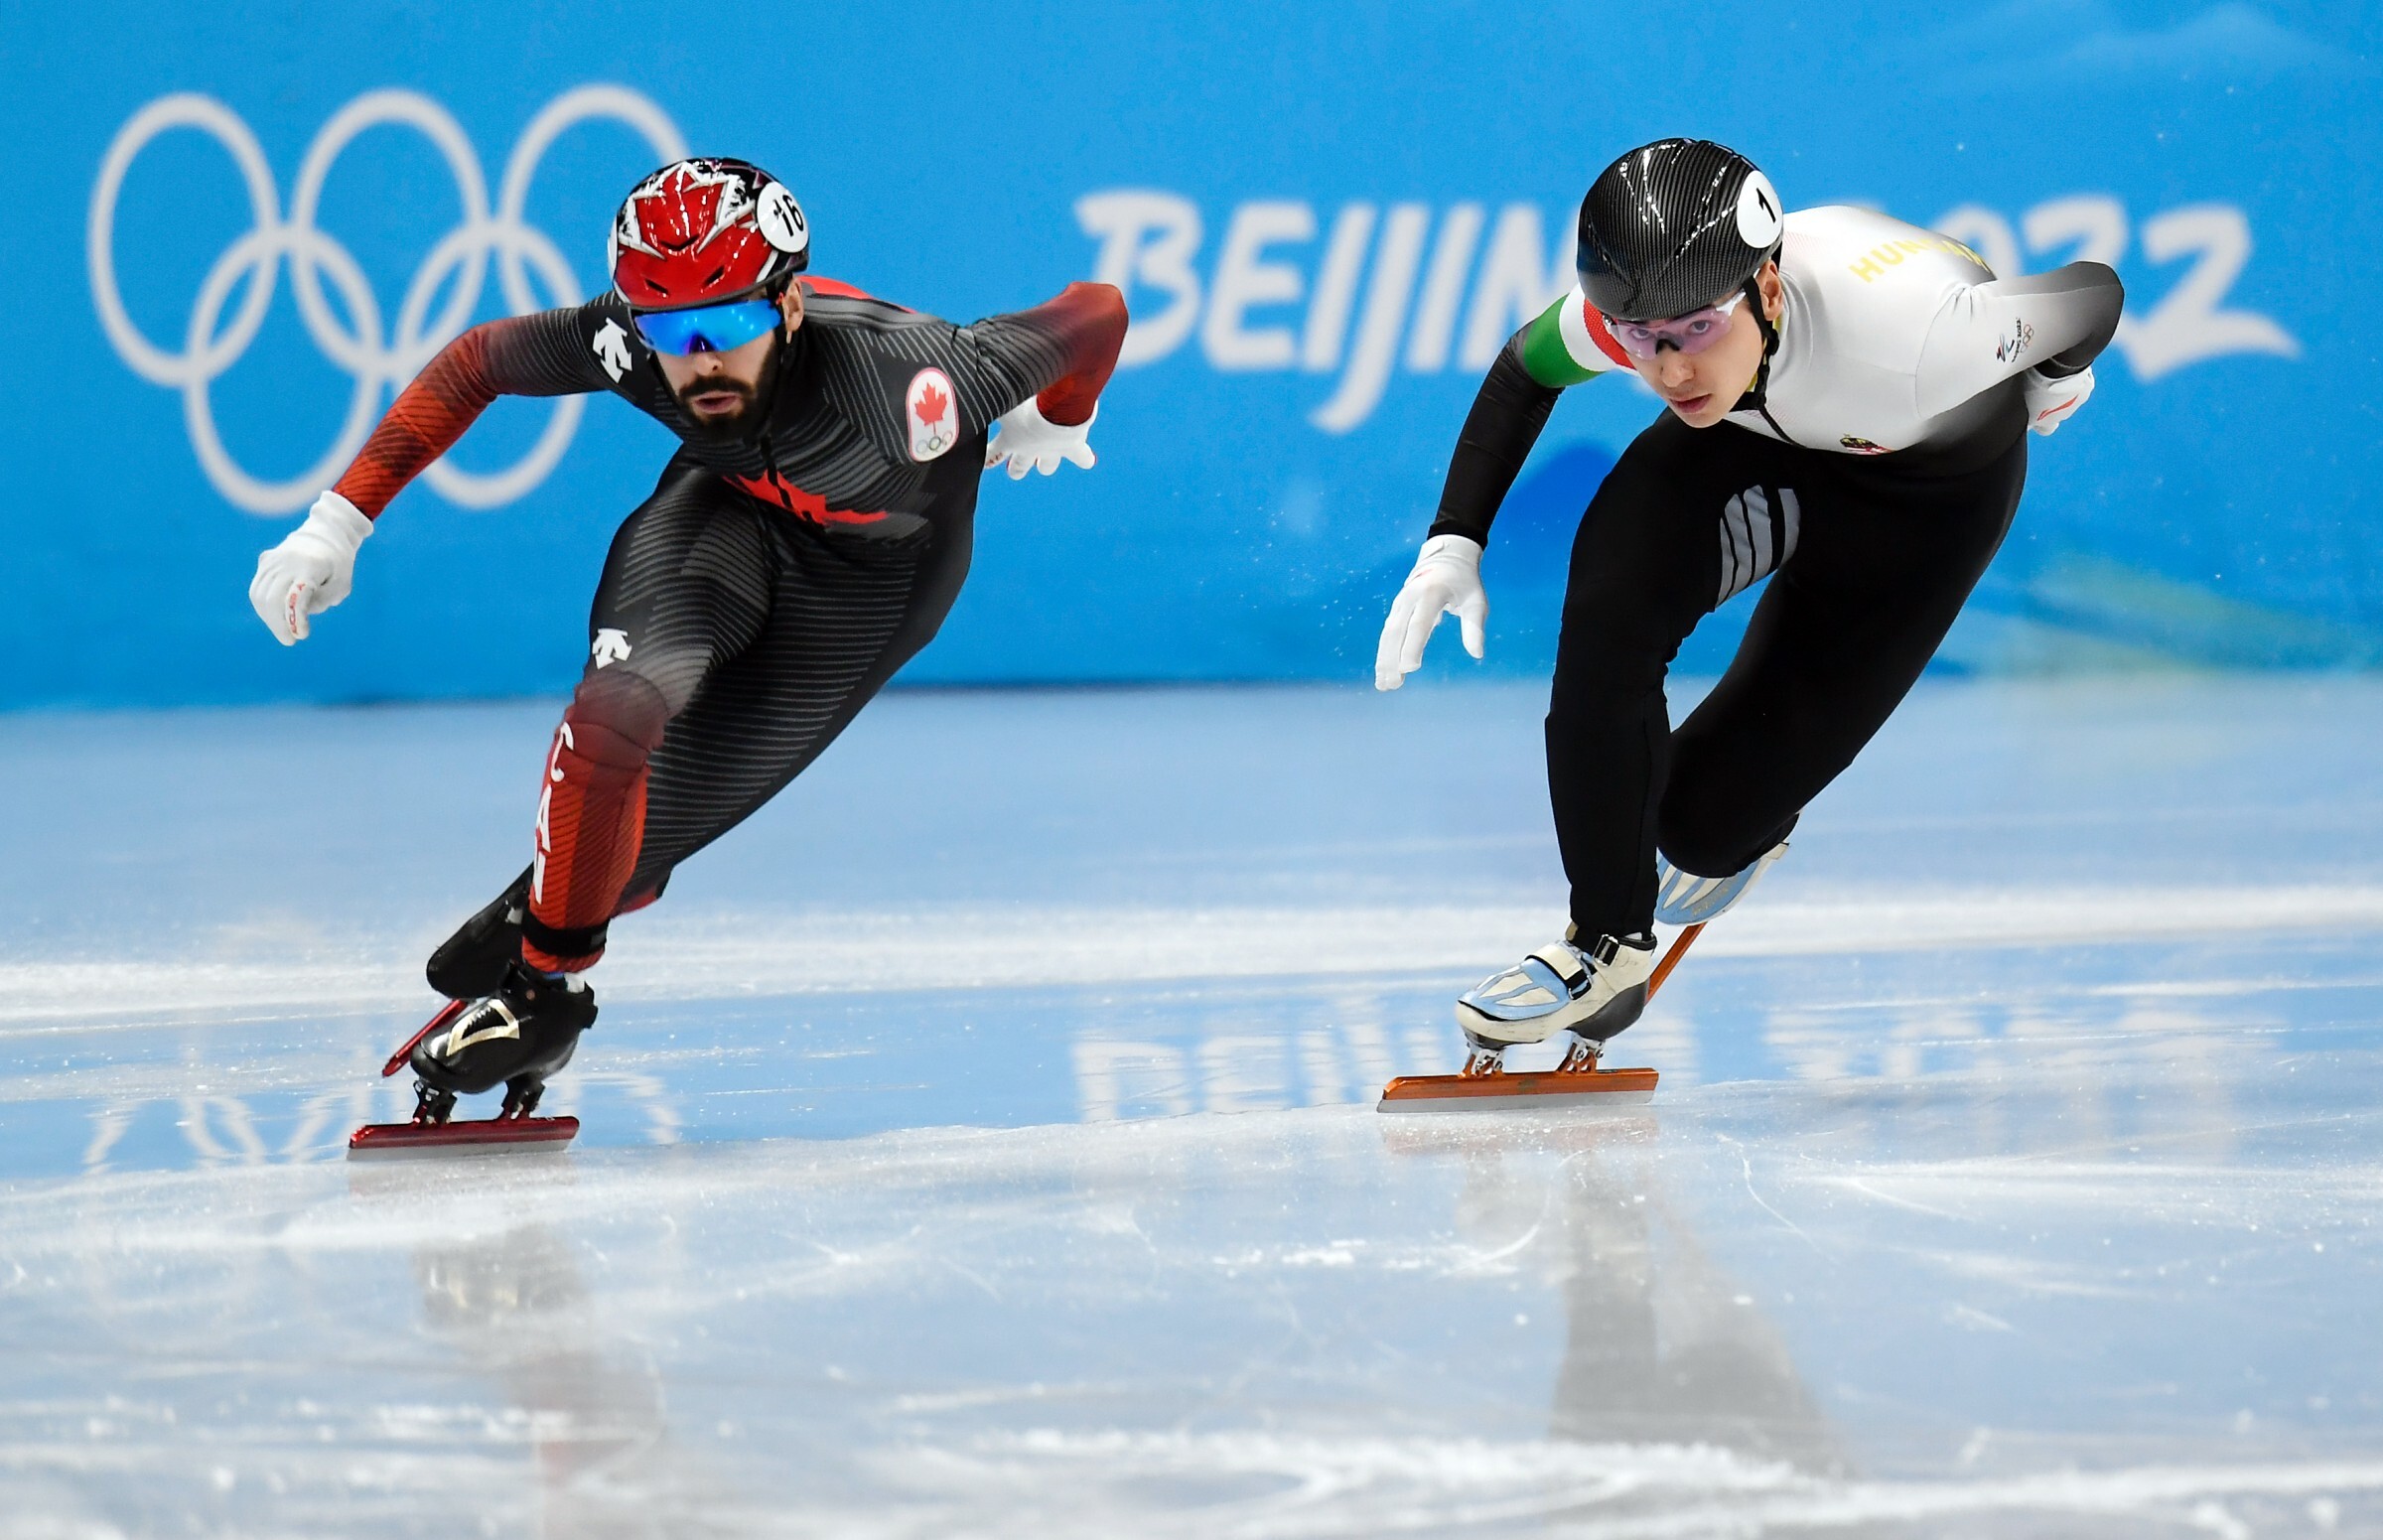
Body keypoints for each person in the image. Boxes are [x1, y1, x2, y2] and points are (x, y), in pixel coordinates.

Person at [249, 158, 1127, 1120]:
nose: (702, 359)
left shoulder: (913, 386)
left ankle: (562, 921)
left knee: (642, 839)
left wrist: (1057, 413)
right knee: (614, 716)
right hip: (726, 517)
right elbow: (477, 363)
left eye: (732, 324)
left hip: (866, 595)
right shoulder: (633, 345)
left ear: (787, 307)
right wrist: (339, 522)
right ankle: (551, 983)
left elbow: (1097, 312)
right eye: (672, 330)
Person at [1374, 138, 2121, 1073]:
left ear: (1767, 288)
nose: (1670, 368)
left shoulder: (1921, 340)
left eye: (1693, 329)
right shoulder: (1649, 311)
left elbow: (2091, 295)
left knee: (1700, 826)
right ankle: (1605, 945)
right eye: (1641, 338)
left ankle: (1746, 826)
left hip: (1920, 510)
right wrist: (1454, 539)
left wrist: (2050, 377)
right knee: (1608, 605)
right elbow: (1526, 370)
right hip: (1749, 443)